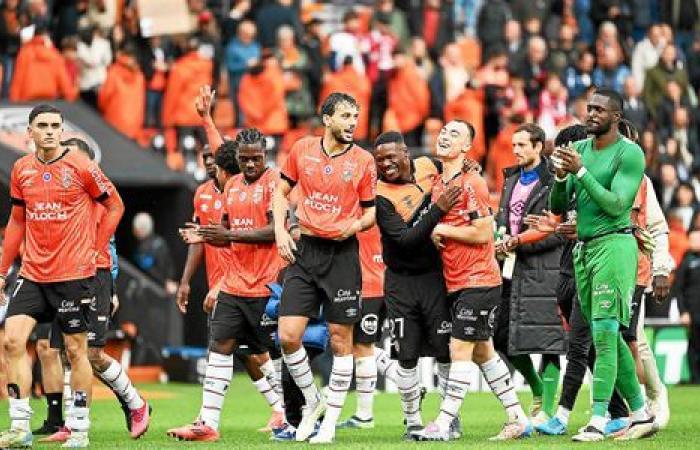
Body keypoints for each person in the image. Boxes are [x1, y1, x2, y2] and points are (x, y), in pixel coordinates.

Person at [0, 104, 124, 448]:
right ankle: (19, 426)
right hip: (34, 273)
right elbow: (16, 221)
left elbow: (116, 205)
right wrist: (1, 270)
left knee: (74, 350)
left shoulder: (81, 166)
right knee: (12, 341)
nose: (51, 131)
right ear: (30, 131)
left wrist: (96, 248)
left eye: (56, 125)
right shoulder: (21, 169)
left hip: (73, 274)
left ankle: (80, 426)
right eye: (43, 125)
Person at [549, 89, 657, 441]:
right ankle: (641, 413)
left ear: (616, 116)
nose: (591, 113)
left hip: (615, 245)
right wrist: (562, 177)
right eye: (589, 108)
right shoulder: (578, 149)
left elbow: (615, 204)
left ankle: (597, 418)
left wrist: (579, 173)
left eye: (599, 109)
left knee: (607, 334)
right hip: (583, 248)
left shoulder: (630, 153)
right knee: (603, 334)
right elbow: (558, 205)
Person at [413, 120, 532, 441]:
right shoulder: (438, 181)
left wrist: (442, 230)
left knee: (460, 348)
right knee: (483, 353)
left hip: (478, 279)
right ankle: (518, 417)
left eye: (454, 134)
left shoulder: (472, 182)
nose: (444, 136)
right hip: (456, 280)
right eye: (443, 131)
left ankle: (443, 423)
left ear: (467, 147)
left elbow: (483, 232)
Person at [272, 92, 377, 444]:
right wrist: (280, 232)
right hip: (306, 251)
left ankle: (329, 423)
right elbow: (280, 191)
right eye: (346, 115)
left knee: (340, 340)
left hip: (342, 255)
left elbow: (371, 211)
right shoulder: (302, 149)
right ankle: (313, 399)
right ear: (327, 118)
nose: (352, 122)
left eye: (356, 116)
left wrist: (356, 227)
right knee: (287, 336)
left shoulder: (363, 160)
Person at [168, 129, 284, 441]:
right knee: (219, 347)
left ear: (265, 155)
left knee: (279, 354)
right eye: (243, 159)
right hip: (234, 285)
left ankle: (297, 410)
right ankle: (207, 423)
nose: (249, 164)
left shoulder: (275, 183)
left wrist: (226, 236)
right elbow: (226, 229)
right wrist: (203, 236)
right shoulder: (231, 185)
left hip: (266, 285)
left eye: (255, 158)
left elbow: (275, 231)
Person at [40, 138, 150, 444]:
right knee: (65, 352)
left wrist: (111, 287)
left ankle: (135, 403)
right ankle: (72, 423)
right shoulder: (60, 196)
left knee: (92, 353)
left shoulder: (101, 197)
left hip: (95, 276)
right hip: (63, 277)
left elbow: (109, 247)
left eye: (76, 160)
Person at [371, 131, 457, 438]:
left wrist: (468, 167)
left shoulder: (427, 166)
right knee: (405, 355)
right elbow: (405, 240)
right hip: (401, 282)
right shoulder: (380, 195)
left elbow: (454, 172)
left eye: (391, 157)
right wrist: (438, 210)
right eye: (379, 160)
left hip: (435, 277)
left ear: (406, 153)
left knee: (445, 350)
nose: (386, 164)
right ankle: (412, 420)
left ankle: (449, 419)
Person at [493, 123, 565, 426]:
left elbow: (557, 231)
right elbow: (504, 218)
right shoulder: (510, 178)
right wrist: (500, 236)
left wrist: (519, 243)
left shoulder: (553, 181)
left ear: (539, 147)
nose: (516, 150)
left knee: (549, 340)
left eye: (522, 145)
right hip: (510, 268)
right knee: (499, 335)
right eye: (514, 145)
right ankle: (535, 386)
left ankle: (548, 411)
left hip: (545, 268)